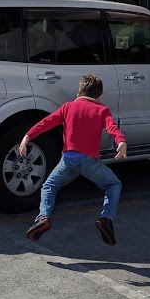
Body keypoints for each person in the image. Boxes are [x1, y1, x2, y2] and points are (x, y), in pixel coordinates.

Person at [19, 75, 127, 245]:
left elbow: (46, 122)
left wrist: (27, 136)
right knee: (113, 185)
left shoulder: (68, 107)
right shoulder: (102, 110)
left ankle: (43, 217)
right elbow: (112, 128)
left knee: (49, 186)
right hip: (90, 162)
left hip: (68, 161)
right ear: (99, 97)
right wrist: (121, 141)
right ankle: (105, 219)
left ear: (78, 94)